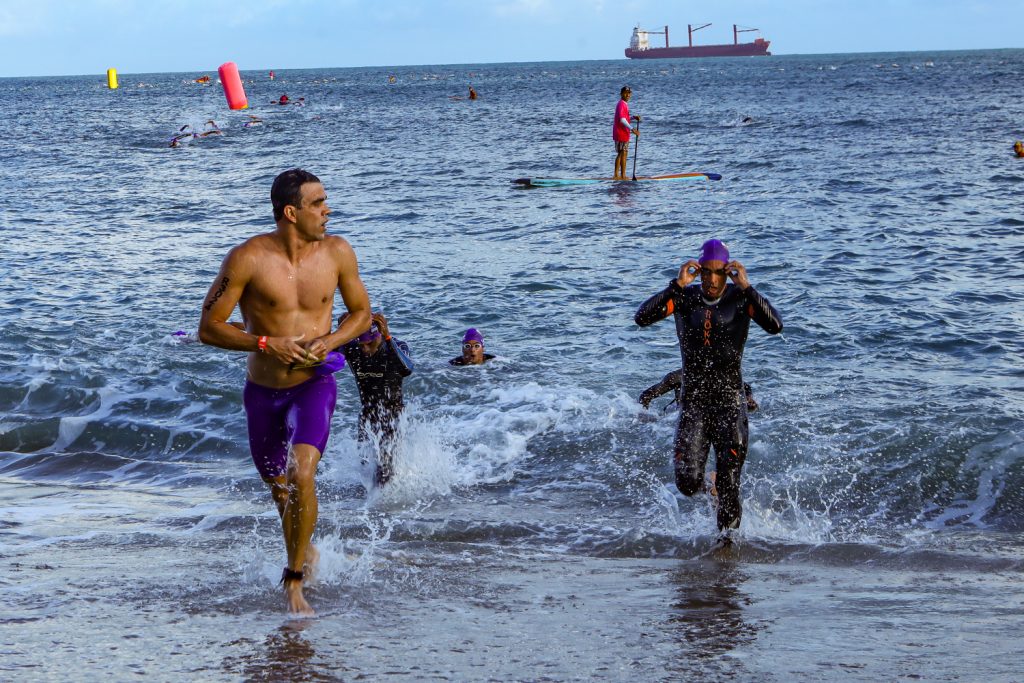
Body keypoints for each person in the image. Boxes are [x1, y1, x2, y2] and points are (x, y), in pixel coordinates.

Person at [198, 168, 371, 615]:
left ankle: (294, 581)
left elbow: (362, 314)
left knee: (301, 473)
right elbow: (208, 328)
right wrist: (264, 342)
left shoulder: (338, 252)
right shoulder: (247, 259)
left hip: (313, 384)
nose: (328, 210)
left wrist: (330, 341)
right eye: (318, 203)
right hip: (263, 392)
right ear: (291, 212)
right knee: (280, 491)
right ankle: (306, 550)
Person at [634, 239, 782, 544]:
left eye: (719, 273)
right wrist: (676, 285)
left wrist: (748, 287)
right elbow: (642, 317)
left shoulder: (740, 299)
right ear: (698, 271)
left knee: (730, 486)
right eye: (706, 273)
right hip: (694, 403)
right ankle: (708, 486)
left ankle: (726, 551)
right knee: (687, 482)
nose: (712, 280)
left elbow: (775, 326)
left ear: (728, 273)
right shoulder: (683, 298)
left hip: (730, 402)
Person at [338, 311, 414, 485]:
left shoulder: (396, 346)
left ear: (378, 336)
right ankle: (369, 497)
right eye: (361, 344)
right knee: (365, 466)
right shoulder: (353, 348)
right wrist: (341, 333)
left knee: (385, 468)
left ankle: (385, 499)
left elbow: (407, 369)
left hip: (393, 415)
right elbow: (328, 357)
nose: (365, 349)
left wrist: (388, 338)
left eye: (369, 344)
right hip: (367, 414)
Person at [639, 369, 758, 414]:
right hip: (676, 419)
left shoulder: (722, 375)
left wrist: (748, 399)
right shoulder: (677, 377)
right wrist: (645, 418)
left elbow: (745, 387)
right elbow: (645, 396)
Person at [612, 85, 640, 180]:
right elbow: (622, 120)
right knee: (622, 153)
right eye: (625, 93)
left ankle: (620, 175)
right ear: (621, 94)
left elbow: (625, 118)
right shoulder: (621, 104)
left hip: (623, 133)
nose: (628, 95)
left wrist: (633, 117)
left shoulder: (623, 104)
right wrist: (632, 129)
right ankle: (619, 175)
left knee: (623, 153)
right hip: (621, 132)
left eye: (629, 93)